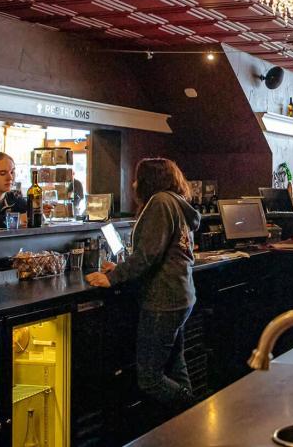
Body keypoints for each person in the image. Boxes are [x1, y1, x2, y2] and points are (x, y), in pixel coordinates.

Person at [87, 158, 198, 410]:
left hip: (163, 298)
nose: (134, 184)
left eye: (138, 179)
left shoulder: (159, 202)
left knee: (149, 379)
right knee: (175, 366)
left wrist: (112, 277)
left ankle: (194, 408)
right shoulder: (177, 203)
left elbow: (147, 254)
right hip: (181, 294)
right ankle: (190, 426)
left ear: (150, 180)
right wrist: (122, 269)